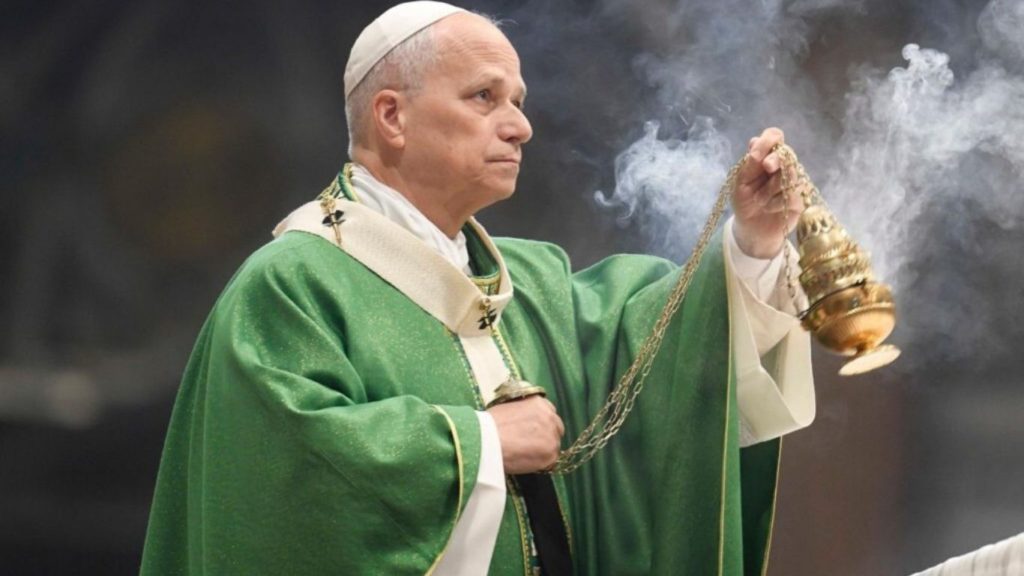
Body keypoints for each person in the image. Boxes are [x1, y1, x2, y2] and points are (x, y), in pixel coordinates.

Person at [140, 2, 815, 574]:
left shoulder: (535, 285)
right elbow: (288, 479)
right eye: (484, 97)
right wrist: (481, 442)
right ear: (392, 117)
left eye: (518, 102)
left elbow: (662, 358)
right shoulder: (292, 285)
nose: (521, 126)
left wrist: (753, 245)